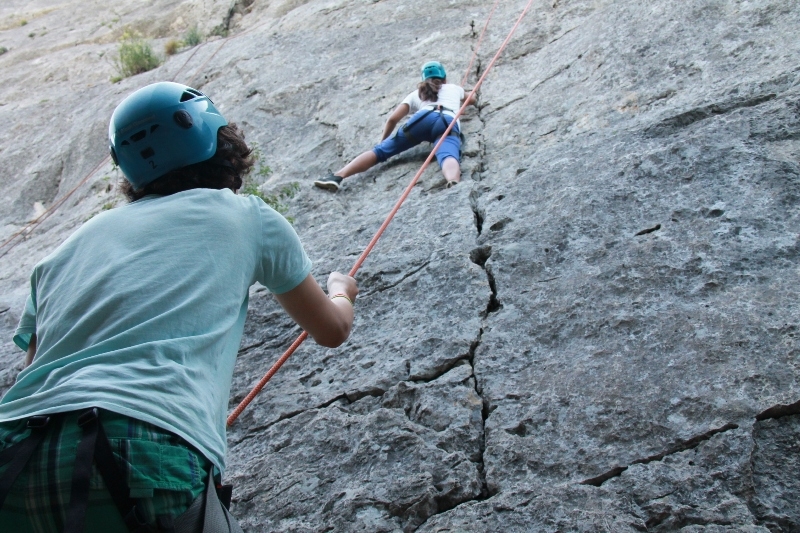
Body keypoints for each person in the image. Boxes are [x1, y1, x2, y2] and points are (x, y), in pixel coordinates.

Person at [0, 81, 358, 533]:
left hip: (14, 447)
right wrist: (341, 290)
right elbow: (331, 330)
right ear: (221, 143)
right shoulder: (249, 217)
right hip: (141, 449)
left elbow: (35, 371)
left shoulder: (65, 249)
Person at [313, 61, 477, 192]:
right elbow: (472, 99)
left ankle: (337, 176)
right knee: (448, 154)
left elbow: (392, 119)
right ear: (444, 78)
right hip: (447, 121)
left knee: (380, 152)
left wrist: (382, 142)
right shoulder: (454, 88)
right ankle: (453, 181)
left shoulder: (416, 94)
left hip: (422, 118)